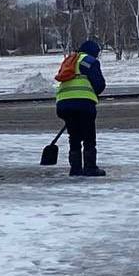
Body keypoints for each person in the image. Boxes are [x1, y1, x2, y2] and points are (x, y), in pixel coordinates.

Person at [55, 39, 107, 177]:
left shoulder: (70, 60)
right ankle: (90, 168)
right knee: (89, 136)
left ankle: (75, 169)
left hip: (63, 103)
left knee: (74, 136)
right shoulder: (89, 60)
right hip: (83, 103)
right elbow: (99, 84)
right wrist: (92, 92)